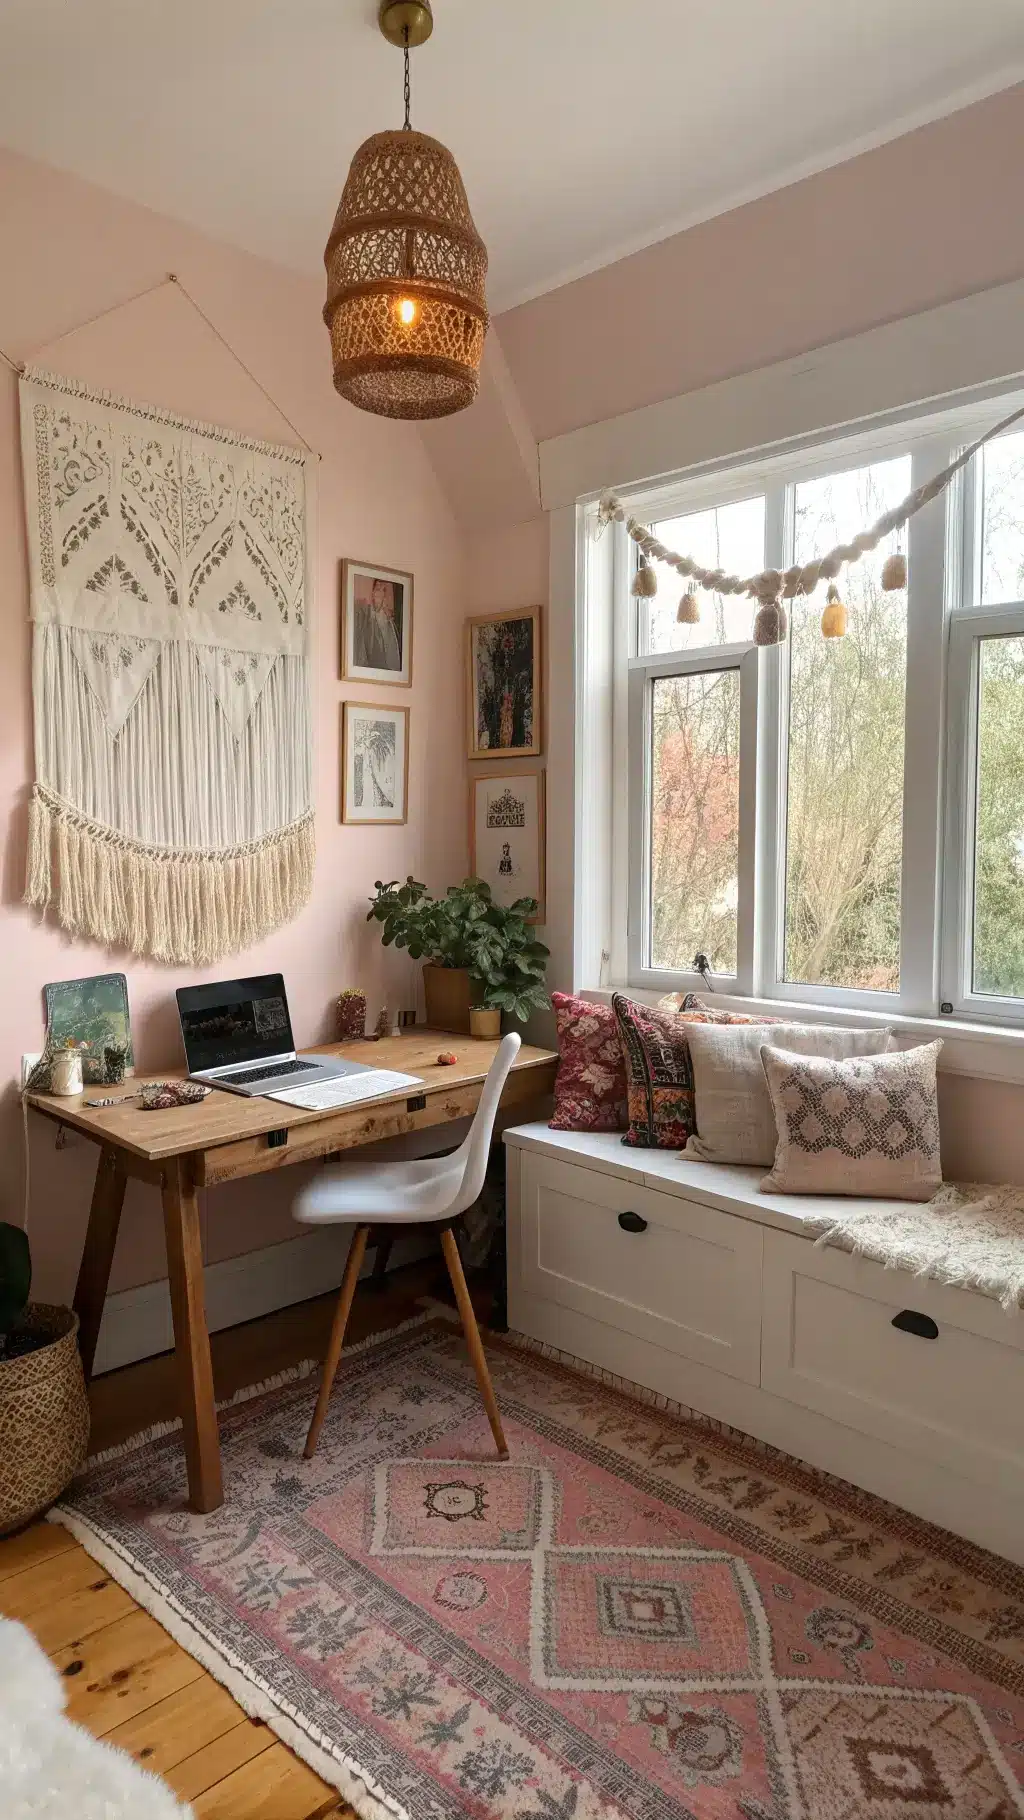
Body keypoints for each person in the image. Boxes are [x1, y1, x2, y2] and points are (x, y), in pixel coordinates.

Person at [353, 576, 402, 673]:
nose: (379, 594)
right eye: (377, 589)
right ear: (372, 593)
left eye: (383, 590)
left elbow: (392, 652)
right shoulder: (364, 613)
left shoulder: (388, 621)